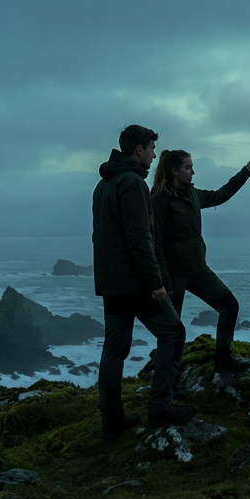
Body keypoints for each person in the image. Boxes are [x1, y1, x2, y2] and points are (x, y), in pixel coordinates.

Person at [92, 124, 195, 439]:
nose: (153, 155)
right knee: (174, 334)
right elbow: (141, 239)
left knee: (114, 348)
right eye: (151, 149)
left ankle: (111, 421)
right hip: (136, 282)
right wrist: (156, 282)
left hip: (111, 283)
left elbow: (101, 237)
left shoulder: (103, 185)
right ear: (138, 149)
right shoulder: (133, 184)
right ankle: (160, 409)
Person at [150, 149, 250, 374]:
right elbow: (156, 244)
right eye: (188, 167)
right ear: (174, 171)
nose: (193, 171)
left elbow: (221, 195)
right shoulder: (159, 199)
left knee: (230, 307)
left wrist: (244, 173)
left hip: (198, 270)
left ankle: (223, 360)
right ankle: (169, 383)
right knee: (173, 332)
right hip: (174, 276)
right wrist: (163, 282)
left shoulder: (192, 194)